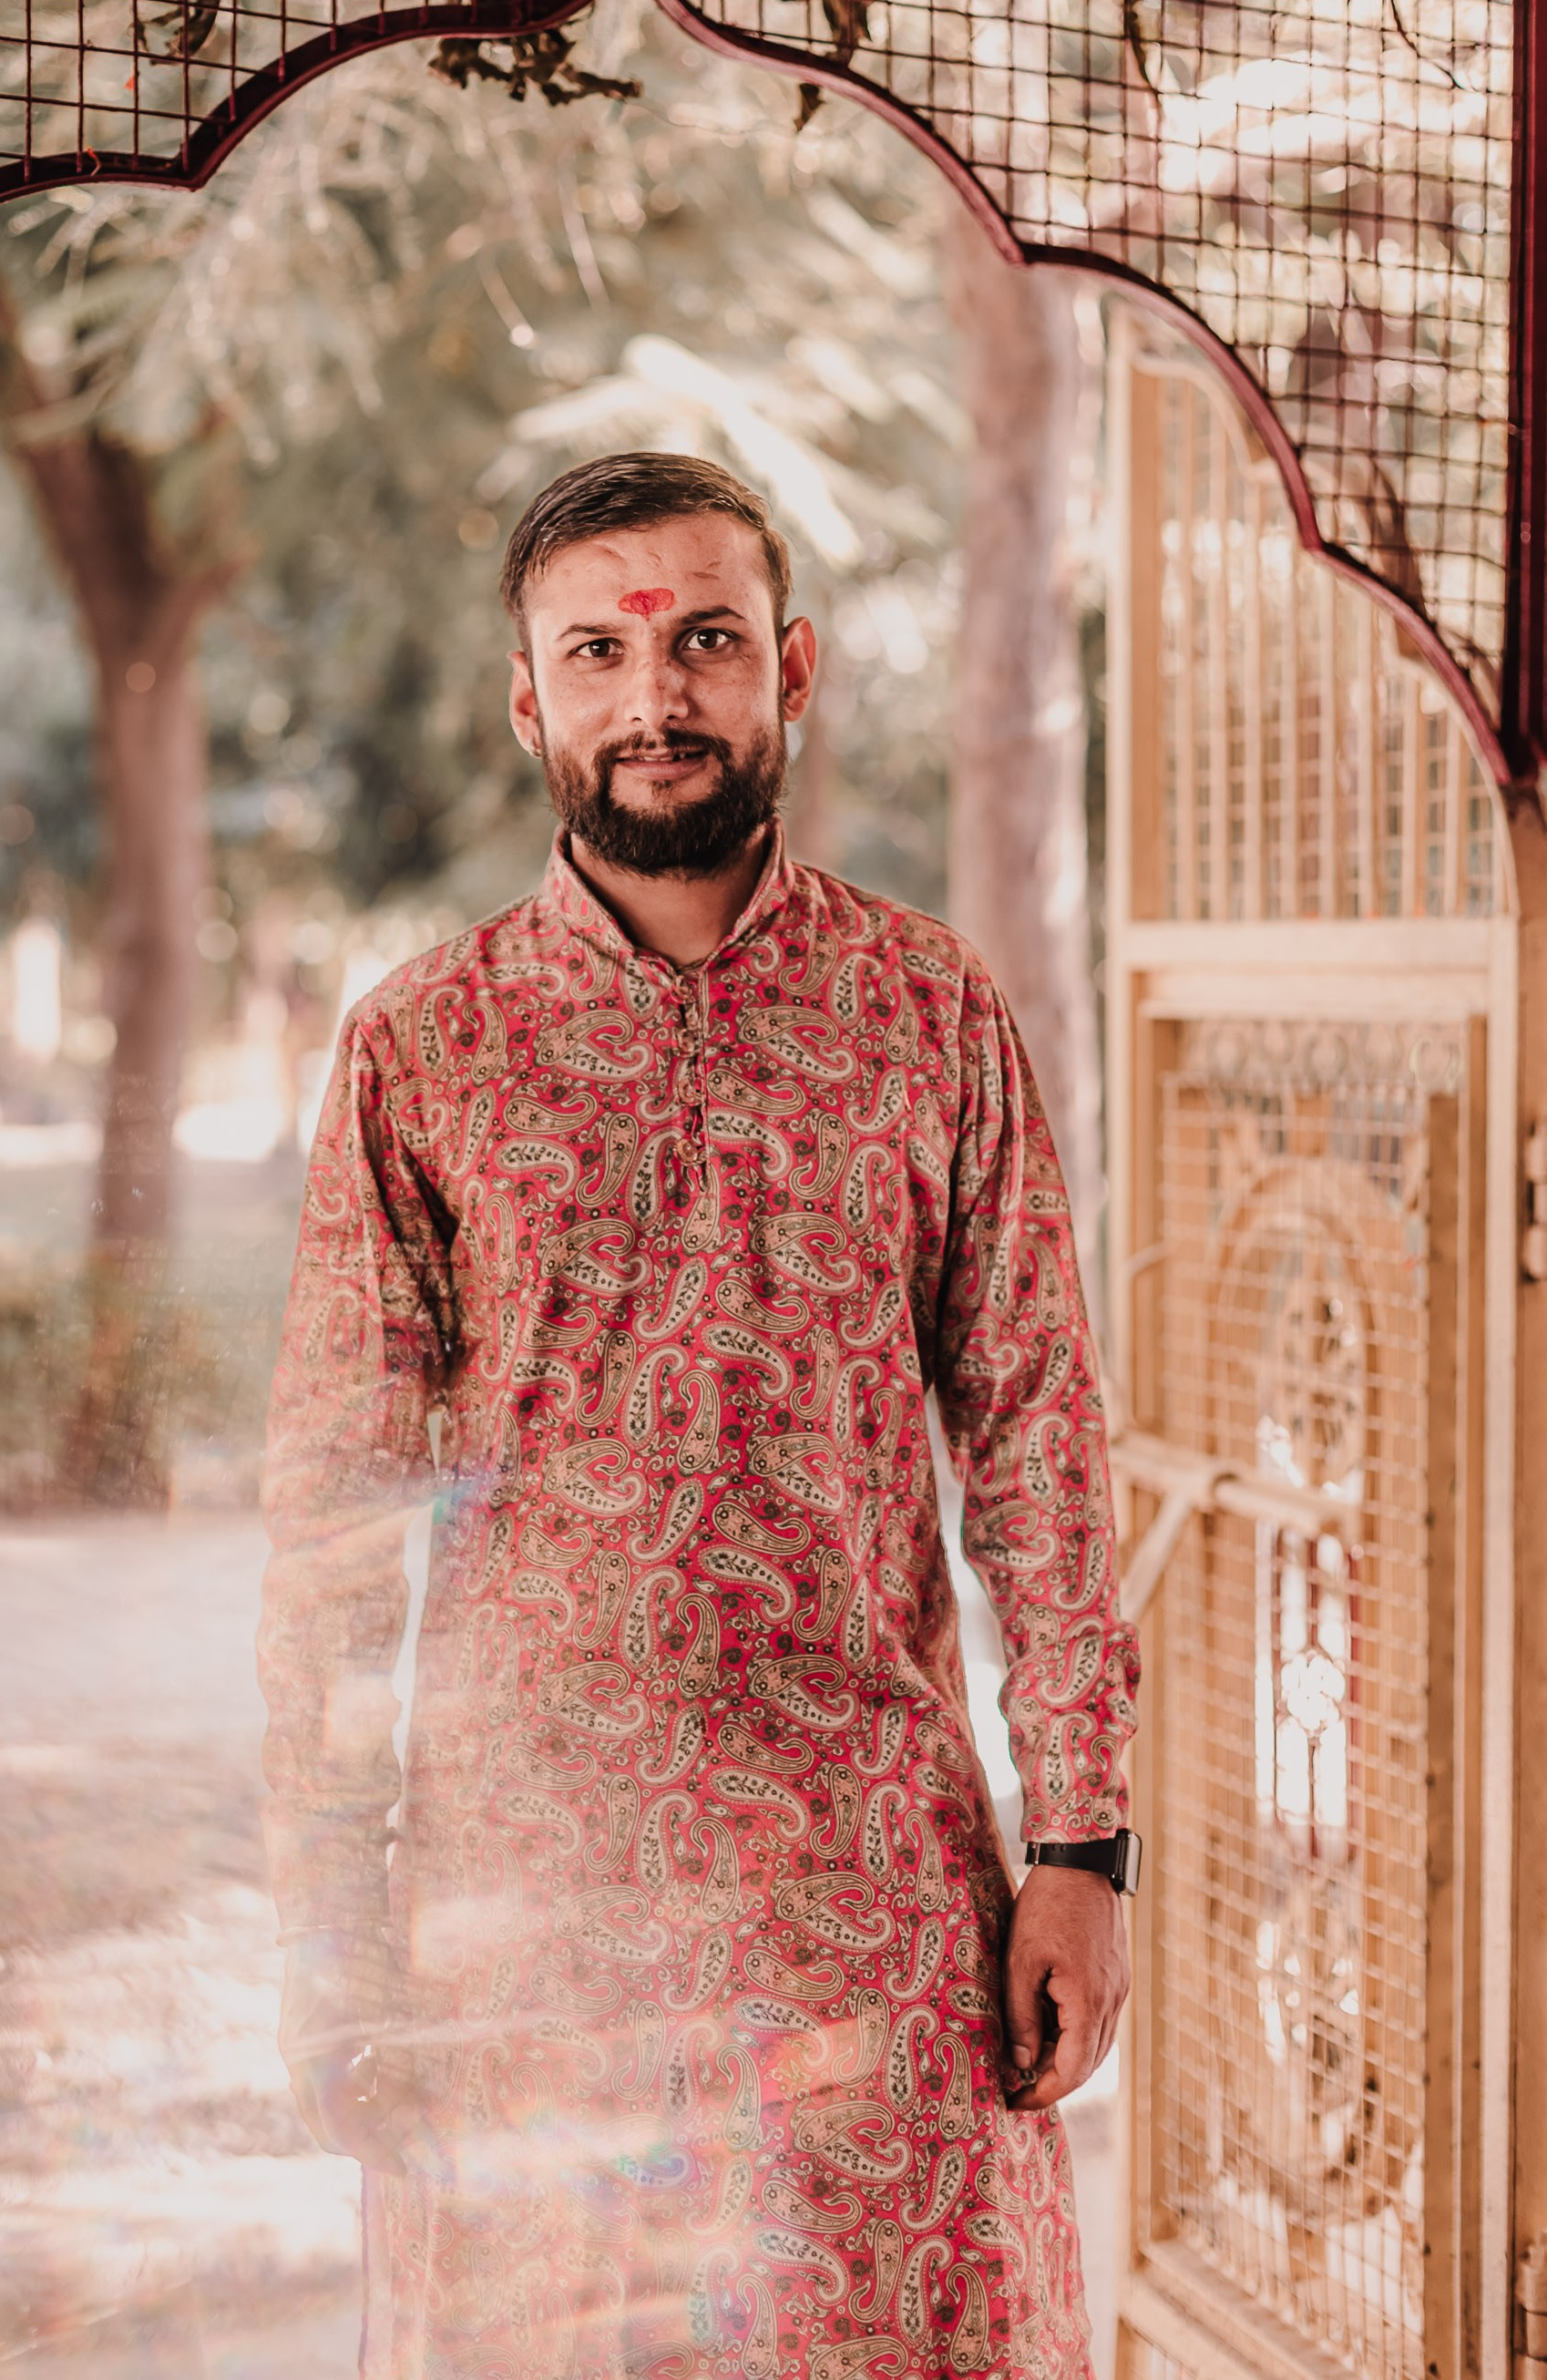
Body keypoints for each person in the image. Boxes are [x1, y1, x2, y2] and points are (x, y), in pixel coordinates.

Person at [261, 451, 1141, 2380]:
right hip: (521, 1914)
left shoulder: (927, 1009)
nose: (653, 698)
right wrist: (329, 1927)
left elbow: (1037, 1431)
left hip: (868, 1903)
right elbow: (333, 1519)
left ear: (791, 670)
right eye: (598, 652)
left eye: (704, 641)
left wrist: (1084, 1838)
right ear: (529, 702)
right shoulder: (426, 1046)